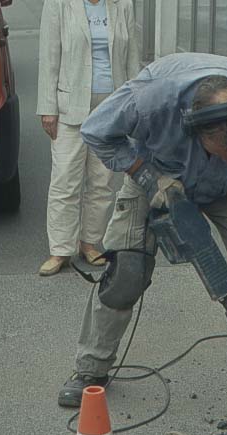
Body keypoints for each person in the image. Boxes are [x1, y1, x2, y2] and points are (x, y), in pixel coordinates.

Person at [57, 53, 227, 411]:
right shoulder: (150, 101)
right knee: (126, 273)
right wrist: (147, 176)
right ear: (195, 129)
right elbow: (96, 131)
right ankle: (91, 369)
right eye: (221, 150)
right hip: (159, 176)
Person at [36, 0, 140, 276]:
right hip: (70, 108)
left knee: (102, 181)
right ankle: (60, 249)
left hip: (110, 109)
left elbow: (132, 58)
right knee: (64, 180)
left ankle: (90, 243)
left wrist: (136, 106)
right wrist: (48, 108)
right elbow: (49, 56)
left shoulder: (122, 5)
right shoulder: (59, 4)